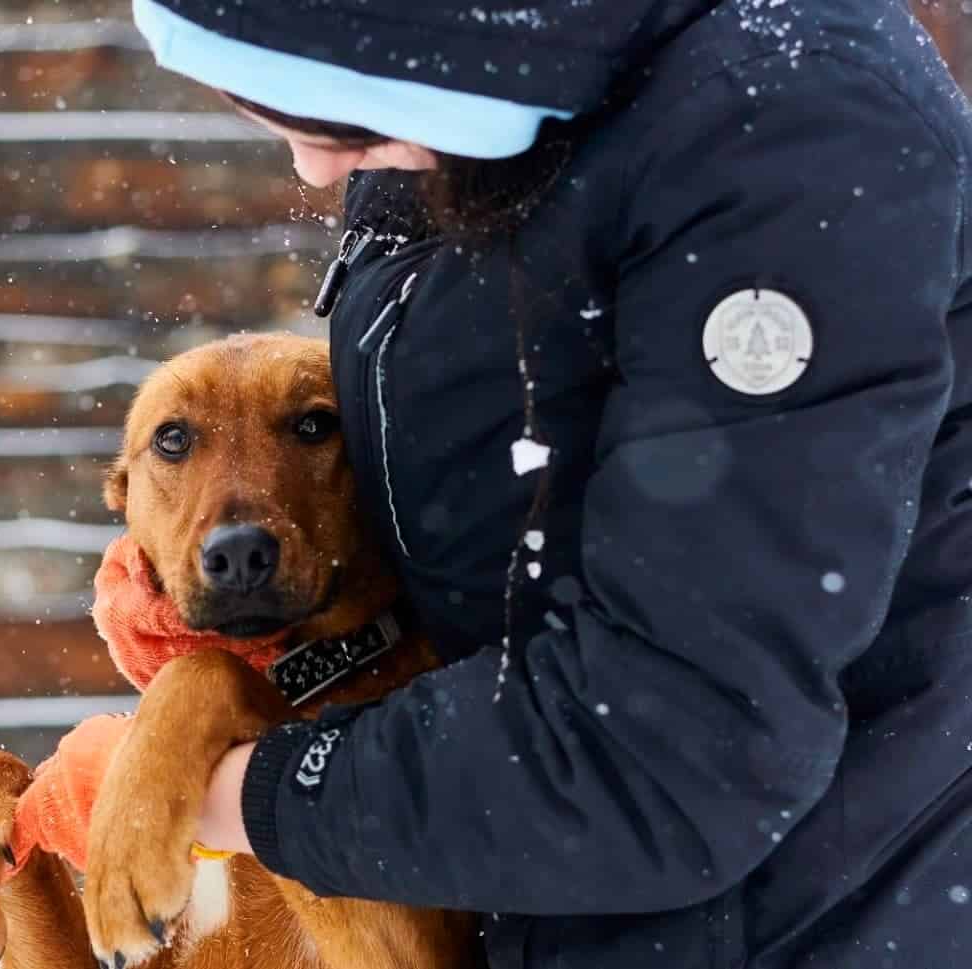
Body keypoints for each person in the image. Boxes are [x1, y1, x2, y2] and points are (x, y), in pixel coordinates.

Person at [77, 2, 972, 966]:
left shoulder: (782, 123)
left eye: (315, 110)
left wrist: (221, 787)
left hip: (803, 926)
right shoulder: (471, 124)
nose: (312, 167)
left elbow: (675, 745)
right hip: (563, 905)